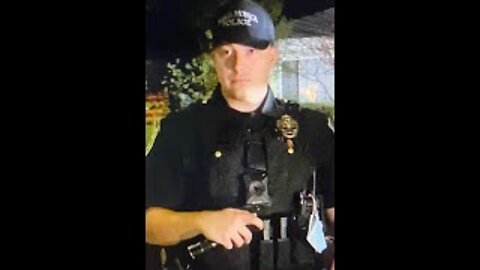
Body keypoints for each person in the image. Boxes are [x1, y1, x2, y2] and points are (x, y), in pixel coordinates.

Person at [146, 1, 334, 269]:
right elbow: (150, 223)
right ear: (213, 57)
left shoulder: (312, 130)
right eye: (226, 51)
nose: (238, 64)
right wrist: (201, 221)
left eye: (251, 51)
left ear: (272, 55)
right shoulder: (182, 131)